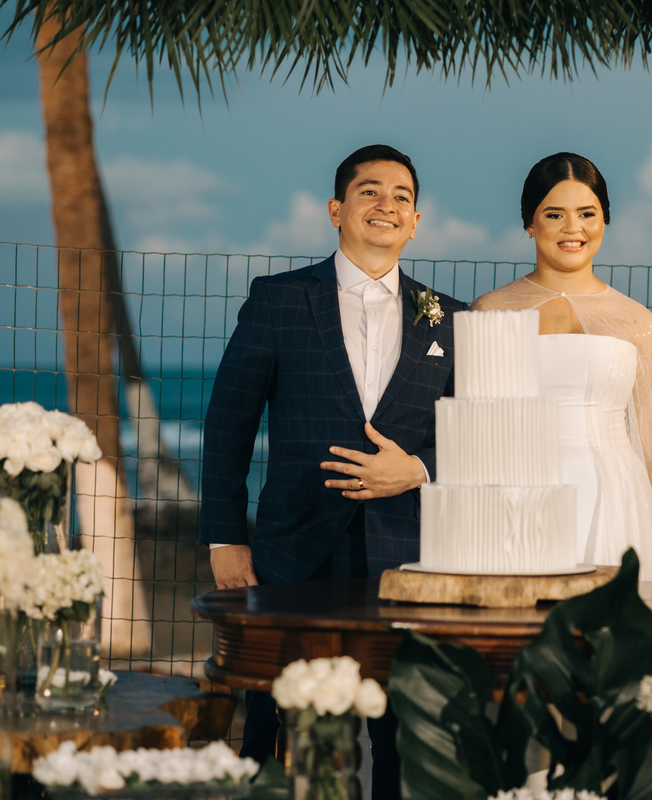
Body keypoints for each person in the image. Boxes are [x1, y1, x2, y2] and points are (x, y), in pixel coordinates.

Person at [199, 144, 466, 796]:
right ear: (336, 210)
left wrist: (419, 472)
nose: (387, 205)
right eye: (370, 191)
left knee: (398, 731)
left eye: (401, 196)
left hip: (405, 555)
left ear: (416, 222)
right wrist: (225, 537)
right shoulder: (281, 300)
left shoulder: (451, 319)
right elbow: (228, 425)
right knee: (271, 718)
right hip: (294, 551)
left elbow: (476, 438)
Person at [472, 152, 652, 582]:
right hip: (520, 498)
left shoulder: (637, 322)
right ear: (529, 223)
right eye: (554, 214)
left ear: (605, 220)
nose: (572, 228)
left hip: (617, 494)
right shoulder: (491, 311)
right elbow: (476, 436)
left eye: (587, 213)